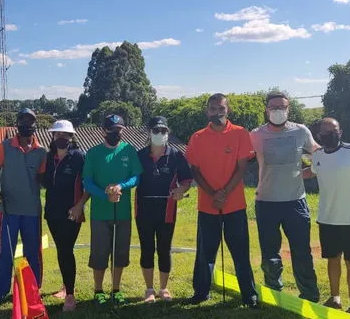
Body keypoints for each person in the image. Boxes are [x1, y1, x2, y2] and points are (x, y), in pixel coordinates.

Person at [186, 94, 259, 307]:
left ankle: (249, 294)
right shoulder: (198, 137)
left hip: (234, 204)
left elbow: (242, 168)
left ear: (228, 110)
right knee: (205, 252)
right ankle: (201, 292)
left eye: (221, 108)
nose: (217, 112)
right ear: (207, 111)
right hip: (207, 206)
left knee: (240, 251)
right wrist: (212, 194)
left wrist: (224, 193)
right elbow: (195, 171)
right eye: (213, 108)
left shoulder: (240, 133)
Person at [251, 91, 321, 302]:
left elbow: (318, 153)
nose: (278, 111)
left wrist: (309, 172)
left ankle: (309, 295)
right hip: (266, 202)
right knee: (270, 255)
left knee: (302, 252)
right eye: (274, 107)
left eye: (282, 107)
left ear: (288, 109)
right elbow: (239, 159)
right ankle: (274, 293)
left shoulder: (301, 131)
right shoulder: (255, 135)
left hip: (295, 202)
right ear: (266, 110)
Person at [304, 118, 350, 315]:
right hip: (327, 219)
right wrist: (282, 171)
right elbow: (309, 173)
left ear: (340, 131)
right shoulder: (318, 154)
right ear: (319, 136)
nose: (331, 135)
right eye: (326, 132)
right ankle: (335, 299)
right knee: (332, 260)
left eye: (334, 131)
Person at [82, 114, 143, 305]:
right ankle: (98, 290)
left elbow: (136, 177)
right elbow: (87, 182)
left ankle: (116, 289)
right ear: (103, 131)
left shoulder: (129, 150)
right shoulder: (93, 153)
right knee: (99, 253)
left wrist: (121, 186)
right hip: (100, 213)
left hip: (123, 212)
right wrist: (104, 194)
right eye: (111, 130)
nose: (115, 134)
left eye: (119, 130)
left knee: (120, 253)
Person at [0, 108, 46, 304]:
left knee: (32, 252)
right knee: (5, 252)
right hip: (8, 211)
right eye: (23, 121)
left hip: (32, 211)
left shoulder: (41, 152)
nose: (27, 126)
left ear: (35, 125)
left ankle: (32, 291)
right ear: (17, 124)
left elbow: (43, 179)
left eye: (30, 122)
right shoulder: (5, 146)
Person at [135, 116, 192, 302]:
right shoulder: (140, 155)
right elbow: (130, 178)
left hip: (167, 210)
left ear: (168, 133)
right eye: (156, 131)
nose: (160, 134)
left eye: (163, 131)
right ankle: (149, 289)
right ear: (149, 133)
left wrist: (181, 190)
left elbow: (186, 180)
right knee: (147, 248)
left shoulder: (176, 156)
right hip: (143, 209)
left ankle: (163, 288)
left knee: (164, 248)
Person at [42, 120, 89, 312]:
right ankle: (66, 286)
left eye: (65, 135)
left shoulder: (79, 157)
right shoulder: (47, 157)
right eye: (58, 134)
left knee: (66, 250)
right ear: (53, 136)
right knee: (62, 250)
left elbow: (89, 185)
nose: (61, 138)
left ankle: (70, 295)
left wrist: (79, 205)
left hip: (72, 212)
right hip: (52, 213)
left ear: (71, 137)